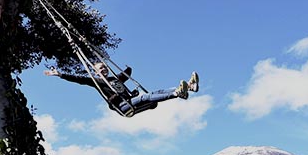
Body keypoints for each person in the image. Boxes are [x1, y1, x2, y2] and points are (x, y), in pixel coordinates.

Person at [44, 62, 199, 115]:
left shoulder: (114, 78)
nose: (104, 70)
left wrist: (127, 68)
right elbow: (78, 79)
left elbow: (126, 74)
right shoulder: (97, 82)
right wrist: (60, 74)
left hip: (130, 100)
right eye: (101, 69)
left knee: (154, 93)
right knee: (146, 97)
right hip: (123, 106)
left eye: (105, 67)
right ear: (96, 72)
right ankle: (177, 92)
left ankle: (188, 87)